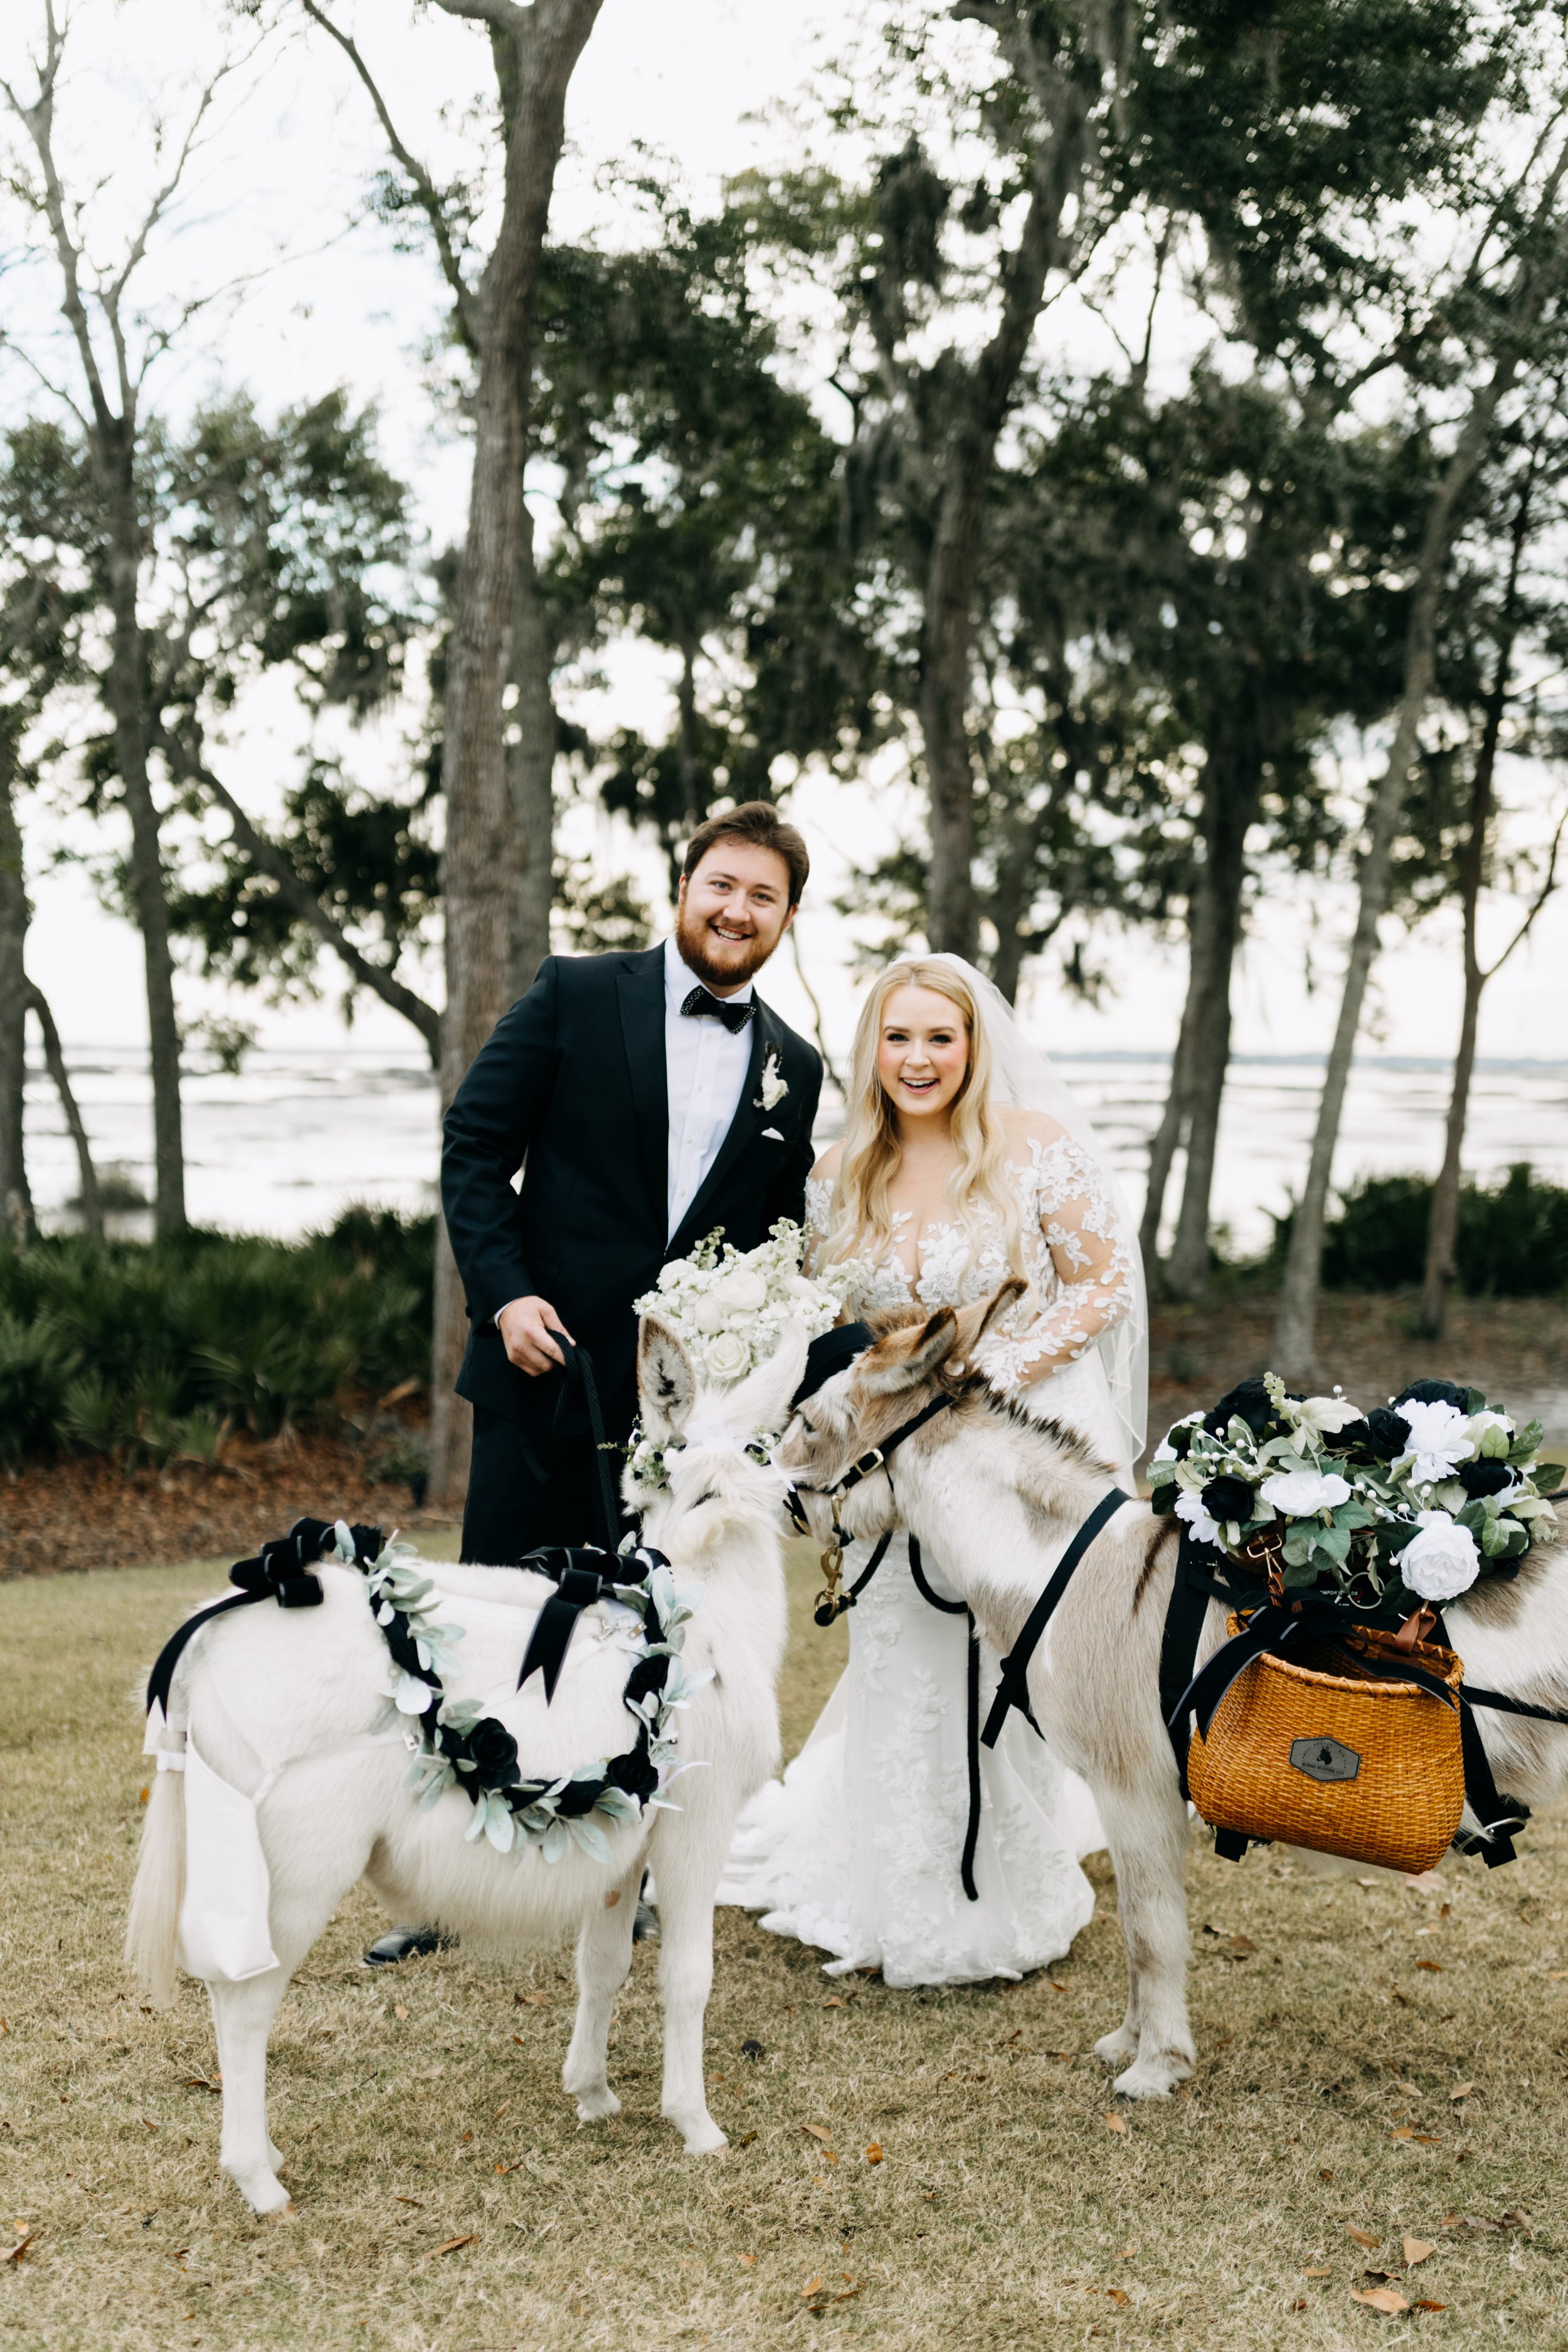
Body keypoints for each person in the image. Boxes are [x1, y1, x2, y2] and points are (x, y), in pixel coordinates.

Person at [364, 802, 823, 1965]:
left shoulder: (794, 1068)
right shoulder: (576, 992)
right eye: (723, 884)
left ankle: (631, 1863)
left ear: (787, 917)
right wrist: (505, 1294)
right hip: (545, 1373)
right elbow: (475, 1141)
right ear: (685, 884)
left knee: (655, 1638)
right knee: (496, 1619)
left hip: (680, 1424)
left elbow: (767, 1249)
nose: (738, 910)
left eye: (763, 896)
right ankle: (438, 1885)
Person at [719, 954, 1147, 1987]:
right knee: (903, 1647)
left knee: (1011, 1655)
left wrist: (987, 1373)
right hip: (890, 1461)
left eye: (939, 1038)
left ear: (973, 1047)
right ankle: (900, 1885)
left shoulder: (1035, 1150)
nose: (919, 1059)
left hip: (1019, 1442)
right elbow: (825, 1320)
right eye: (898, 1039)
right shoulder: (836, 1176)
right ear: (873, 1052)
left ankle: (1015, 1862)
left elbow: (1104, 1286)